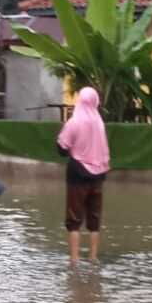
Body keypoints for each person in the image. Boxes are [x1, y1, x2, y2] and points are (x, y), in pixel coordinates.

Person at [57, 87, 110, 266]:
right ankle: (93, 258)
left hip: (77, 175)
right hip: (98, 176)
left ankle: (74, 260)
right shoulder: (99, 123)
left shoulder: (74, 122)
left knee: (74, 218)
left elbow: (61, 148)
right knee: (94, 218)